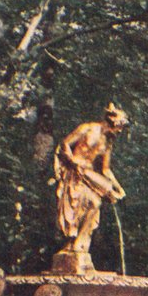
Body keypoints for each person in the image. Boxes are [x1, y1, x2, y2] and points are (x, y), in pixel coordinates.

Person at [54, 103, 128, 255]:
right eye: (120, 127)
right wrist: (71, 159)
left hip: (88, 174)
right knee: (74, 211)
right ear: (112, 122)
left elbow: (106, 170)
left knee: (95, 203)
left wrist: (119, 188)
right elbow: (65, 143)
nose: (120, 131)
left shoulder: (108, 143)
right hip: (74, 172)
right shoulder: (87, 128)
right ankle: (70, 244)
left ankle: (79, 244)